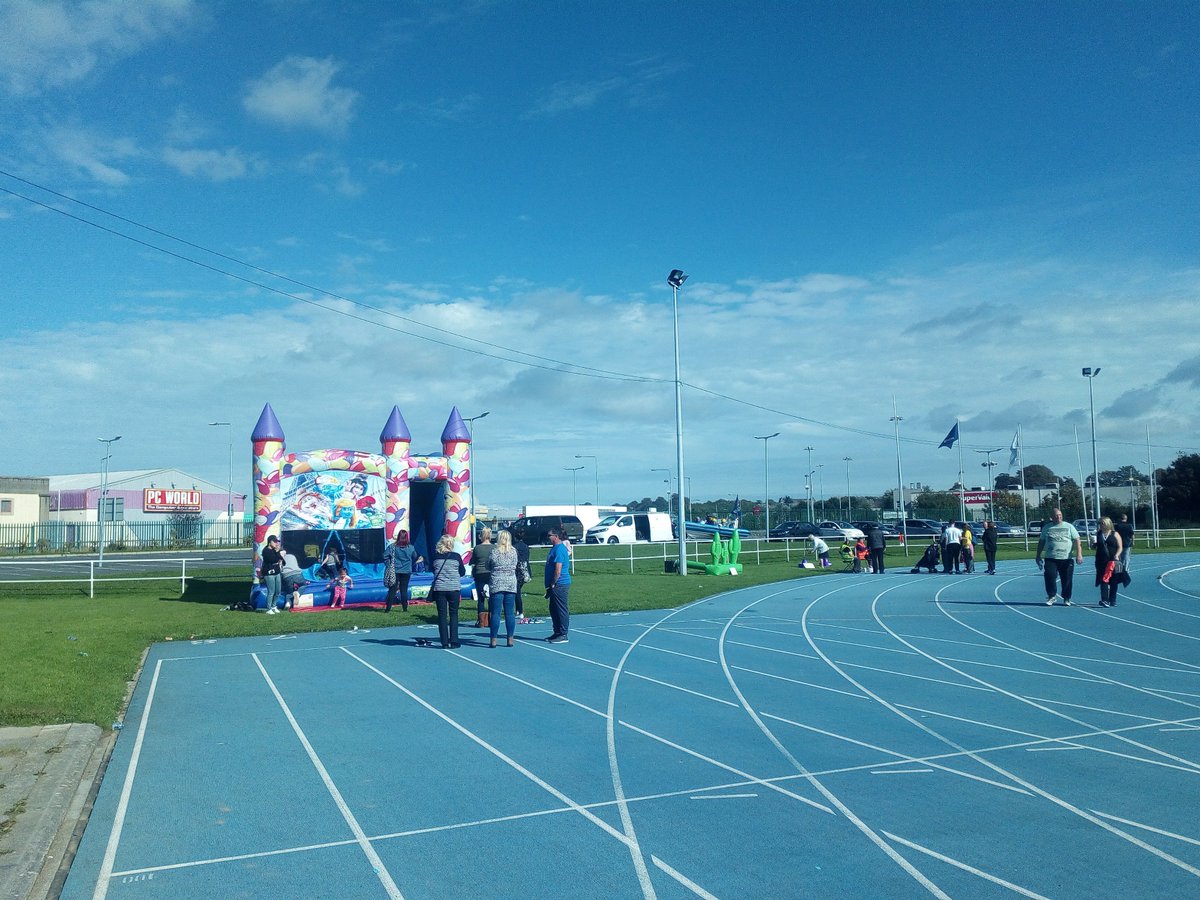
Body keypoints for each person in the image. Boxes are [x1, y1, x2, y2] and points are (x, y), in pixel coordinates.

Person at [1035, 508, 1084, 606]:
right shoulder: (1046, 528)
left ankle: (1066, 598)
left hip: (1066, 558)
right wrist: (1038, 555)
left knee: (1067, 579)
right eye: (1056, 515)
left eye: (1060, 515)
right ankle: (1052, 596)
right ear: (1052, 517)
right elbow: (1041, 542)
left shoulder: (1069, 526)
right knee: (1050, 576)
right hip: (1051, 557)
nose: (1059, 517)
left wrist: (1079, 554)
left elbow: (1077, 540)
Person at [430, 534, 465, 648]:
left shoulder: (435, 557)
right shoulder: (456, 556)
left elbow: (432, 569)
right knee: (454, 614)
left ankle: (444, 642)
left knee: (442, 615)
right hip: (454, 588)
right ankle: (454, 640)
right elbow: (462, 571)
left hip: (440, 588)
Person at [488, 530, 519, 647]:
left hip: (497, 582)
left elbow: (488, 564)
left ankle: (493, 639)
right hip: (510, 582)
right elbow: (515, 564)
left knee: (495, 613)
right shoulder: (513, 551)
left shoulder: (494, 552)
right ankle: (510, 638)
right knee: (509, 613)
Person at [383, 530, 422, 612]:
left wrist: (389, 564)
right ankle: (405, 608)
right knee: (404, 589)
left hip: (395, 570)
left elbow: (385, 556)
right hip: (406, 571)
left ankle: (388, 608)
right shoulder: (411, 548)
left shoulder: (392, 547)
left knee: (392, 590)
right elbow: (415, 556)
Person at [545, 528, 572, 643]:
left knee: (561, 609)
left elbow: (558, 570)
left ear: (555, 536)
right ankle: (557, 632)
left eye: (549, 535)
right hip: (554, 585)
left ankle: (563, 633)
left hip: (560, 584)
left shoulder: (560, 549)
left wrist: (552, 583)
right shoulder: (554, 548)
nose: (548, 538)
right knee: (553, 609)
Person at [1094, 516, 1124, 608]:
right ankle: (1104, 600)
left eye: (1102, 523)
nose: (1101, 525)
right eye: (1100, 523)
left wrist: (1117, 555)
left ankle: (1112, 599)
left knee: (1113, 581)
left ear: (1107, 523)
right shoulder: (1099, 534)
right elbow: (1096, 547)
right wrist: (1093, 544)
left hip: (1112, 561)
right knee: (1103, 579)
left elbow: (1120, 546)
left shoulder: (1115, 534)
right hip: (1101, 561)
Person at [471, 527, 495, 628]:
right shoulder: (494, 548)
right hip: (490, 573)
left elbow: (472, 561)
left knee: (481, 598)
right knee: (491, 597)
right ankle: (490, 620)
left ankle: (481, 621)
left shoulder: (477, 548)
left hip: (479, 573)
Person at [260, 535, 283, 614]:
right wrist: (277, 552)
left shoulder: (275, 550)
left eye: (277, 542)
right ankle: (269, 608)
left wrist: (278, 552)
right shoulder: (266, 551)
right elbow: (273, 559)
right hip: (269, 573)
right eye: (274, 542)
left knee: (278, 591)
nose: (276, 543)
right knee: (271, 591)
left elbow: (280, 558)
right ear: (270, 542)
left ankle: (274, 606)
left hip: (277, 572)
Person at [513, 527, 531, 617]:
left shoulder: (515, 547)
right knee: (517, 590)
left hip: (518, 570)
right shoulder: (526, 546)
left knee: (517, 592)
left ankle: (520, 611)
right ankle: (517, 610)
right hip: (525, 570)